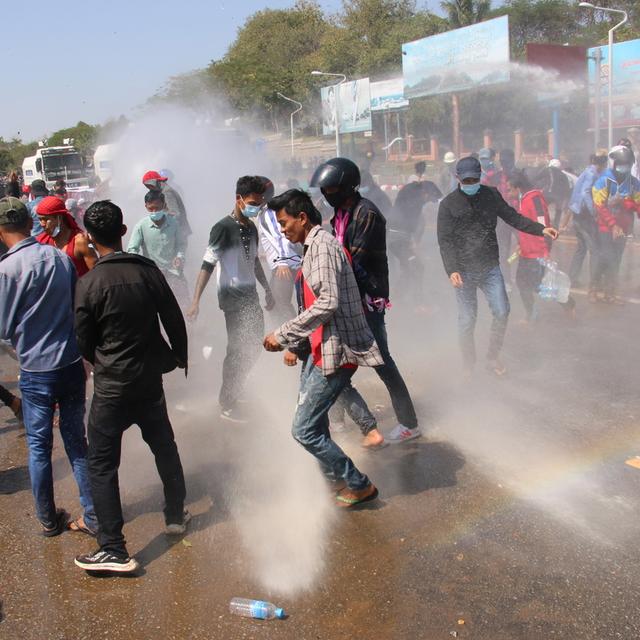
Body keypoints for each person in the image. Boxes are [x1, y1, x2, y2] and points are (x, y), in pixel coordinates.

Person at [73, 200, 189, 574]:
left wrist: (103, 360)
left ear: (90, 238)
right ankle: (175, 515)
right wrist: (179, 356)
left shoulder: (89, 283)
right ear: (124, 231)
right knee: (164, 447)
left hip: (111, 388)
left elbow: (83, 341)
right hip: (148, 382)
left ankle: (113, 548)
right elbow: (173, 317)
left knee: (102, 464)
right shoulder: (148, 272)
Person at [263, 189, 381, 507]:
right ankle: (334, 482)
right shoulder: (312, 247)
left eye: (285, 222)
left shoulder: (323, 248)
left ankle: (358, 483)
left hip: (337, 350)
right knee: (314, 423)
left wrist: (284, 334)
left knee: (303, 429)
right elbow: (313, 303)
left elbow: (328, 302)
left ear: (303, 218)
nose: (283, 229)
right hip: (318, 350)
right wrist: (298, 343)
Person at [0, 197, 97, 536]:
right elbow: (76, 306)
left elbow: (2, 327)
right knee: (76, 440)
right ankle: (93, 513)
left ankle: (47, 518)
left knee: (39, 448)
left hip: (36, 371)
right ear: (29, 223)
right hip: (70, 364)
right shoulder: (59, 257)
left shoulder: (6, 270)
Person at [310, 157, 421, 444]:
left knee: (381, 363)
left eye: (330, 189)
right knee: (334, 362)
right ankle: (342, 421)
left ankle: (408, 423)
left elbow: (351, 261)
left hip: (366, 299)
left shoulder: (366, 214)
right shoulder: (340, 214)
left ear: (346, 187)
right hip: (349, 297)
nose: (326, 195)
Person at [437, 158, 558, 376]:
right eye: (467, 180)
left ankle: (492, 357)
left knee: (502, 312)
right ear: (458, 179)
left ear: (481, 175)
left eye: (475, 179)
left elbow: (513, 218)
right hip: (463, 271)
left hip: (489, 267)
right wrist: (451, 269)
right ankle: (468, 363)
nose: (471, 183)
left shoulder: (491, 195)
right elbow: (445, 240)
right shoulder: (448, 205)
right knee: (466, 320)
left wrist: (541, 229)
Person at [187, 176, 275, 423]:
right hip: (232, 299)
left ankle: (235, 387)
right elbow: (207, 264)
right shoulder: (222, 228)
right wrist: (195, 301)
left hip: (251, 296)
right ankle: (227, 402)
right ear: (238, 199)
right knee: (236, 349)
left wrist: (267, 288)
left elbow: (255, 261)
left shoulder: (251, 227)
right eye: (252, 202)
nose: (255, 207)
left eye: (258, 203)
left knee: (255, 345)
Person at [507, 171, 575, 322]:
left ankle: (567, 301)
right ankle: (531, 314)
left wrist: (544, 251)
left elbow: (543, 226)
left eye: (510, 189)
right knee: (523, 282)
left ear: (518, 188)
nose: (508, 193)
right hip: (527, 250)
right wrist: (520, 244)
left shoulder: (535, 199)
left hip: (537, 251)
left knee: (538, 285)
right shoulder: (524, 199)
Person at [591, 146, 640, 304]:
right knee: (605, 258)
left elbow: (638, 204)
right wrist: (613, 225)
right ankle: (593, 289)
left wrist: (627, 203)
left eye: (627, 164)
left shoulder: (634, 183)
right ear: (614, 163)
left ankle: (610, 293)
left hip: (624, 227)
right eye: (621, 163)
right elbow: (599, 206)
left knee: (616, 260)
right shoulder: (603, 180)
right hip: (606, 227)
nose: (624, 167)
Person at [127, 191, 189, 307]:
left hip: (174, 272)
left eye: (157, 208)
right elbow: (132, 250)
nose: (154, 212)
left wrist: (180, 257)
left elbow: (181, 244)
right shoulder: (141, 226)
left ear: (164, 205)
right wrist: (141, 267)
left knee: (183, 306)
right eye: (151, 209)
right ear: (146, 206)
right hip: (152, 276)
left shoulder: (174, 224)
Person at [256, 177, 302, 323]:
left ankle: (298, 341)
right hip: (284, 263)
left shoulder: (268, 213)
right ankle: (285, 337)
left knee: (281, 303)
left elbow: (279, 237)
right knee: (275, 303)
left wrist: (283, 261)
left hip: (284, 265)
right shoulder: (267, 211)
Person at [564, 154, 608, 290]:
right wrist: (594, 211)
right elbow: (585, 192)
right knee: (594, 250)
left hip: (578, 215)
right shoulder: (592, 173)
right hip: (584, 216)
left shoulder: (588, 171)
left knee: (581, 248)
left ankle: (572, 278)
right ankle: (594, 284)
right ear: (602, 164)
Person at [35, 195, 97, 276]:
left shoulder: (80, 241)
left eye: (46, 219)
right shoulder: (41, 241)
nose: (42, 224)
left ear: (59, 218)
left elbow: (95, 273)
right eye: (40, 219)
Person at [142, 170, 192, 238]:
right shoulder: (162, 190)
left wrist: (162, 227)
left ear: (154, 182)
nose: (149, 189)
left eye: (149, 186)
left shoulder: (166, 192)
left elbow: (175, 214)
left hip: (178, 232)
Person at [537, 159, 571, 229]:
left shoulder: (548, 169)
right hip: (559, 196)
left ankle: (542, 224)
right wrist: (565, 196)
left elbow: (537, 177)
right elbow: (567, 187)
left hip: (548, 193)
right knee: (558, 210)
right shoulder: (563, 174)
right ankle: (556, 225)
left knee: (542, 208)